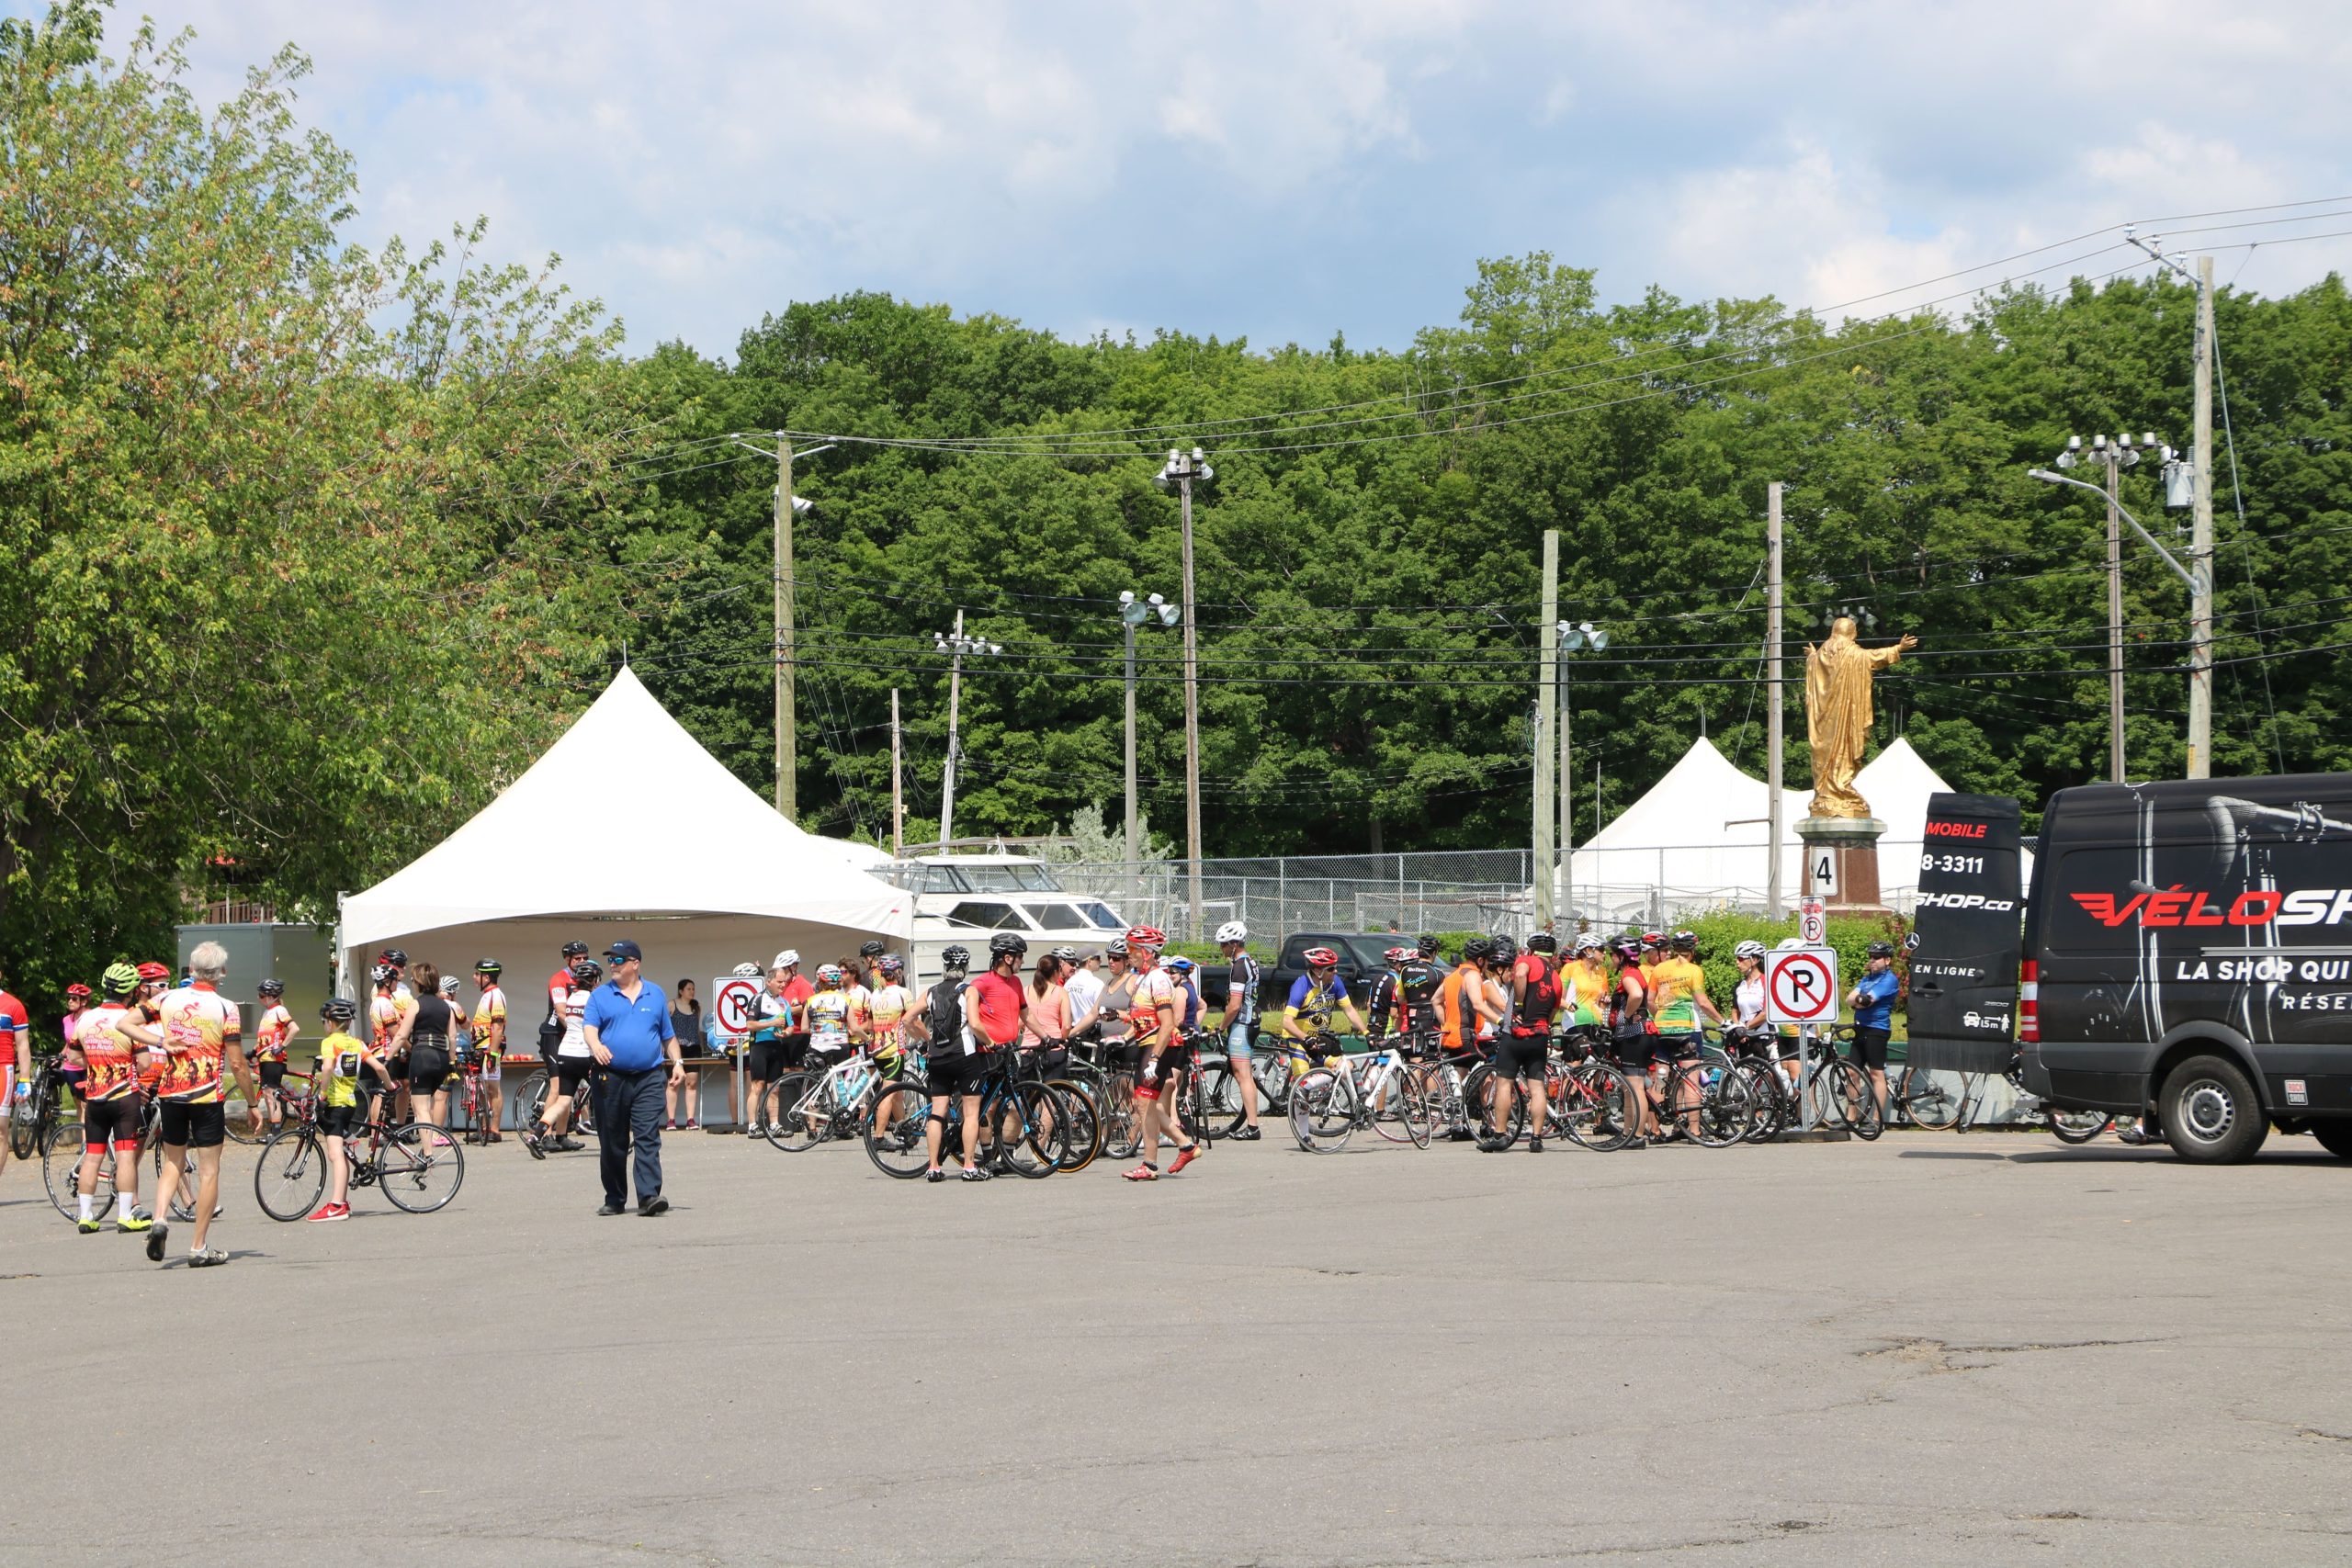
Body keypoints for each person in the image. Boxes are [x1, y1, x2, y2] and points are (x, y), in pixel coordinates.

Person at [127, 941, 255, 1269]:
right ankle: (198, 1247)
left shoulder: (167, 998)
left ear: (192, 970)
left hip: (171, 1092)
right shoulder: (226, 1007)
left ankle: (159, 1219)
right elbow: (238, 1063)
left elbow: (124, 1024)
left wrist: (159, 1040)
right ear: (221, 973)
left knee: (173, 1161)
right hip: (206, 1096)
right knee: (209, 1170)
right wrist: (253, 1102)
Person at [582, 940, 681, 1216]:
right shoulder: (600, 996)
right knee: (613, 1141)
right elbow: (589, 1027)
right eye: (610, 960)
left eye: (618, 960)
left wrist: (679, 1063)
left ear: (635, 964)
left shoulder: (655, 994)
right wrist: (596, 1046)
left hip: (649, 1076)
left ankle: (649, 1195)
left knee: (648, 1135)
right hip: (610, 1078)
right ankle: (615, 1197)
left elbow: (667, 1035)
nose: (612, 965)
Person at [1121, 926, 1202, 1182]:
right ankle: (1186, 1146)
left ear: (1146, 953)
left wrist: (1155, 1059)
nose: (1127, 953)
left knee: (1145, 1103)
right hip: (1150, 1043)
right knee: (1151, 1105)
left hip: (1160, 1046)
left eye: (1132, 949)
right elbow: (1145, 1019)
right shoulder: (1144, 978)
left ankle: (1149, 1164)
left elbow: (1167, 1024)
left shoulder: (1158, 979)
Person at [72, 964, 147, 1233]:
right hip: (125, 1097)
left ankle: (85, 1216)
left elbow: (72, 1056)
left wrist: (95, 1063)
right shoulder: (130, 1019)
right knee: (126, 1156)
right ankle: (126, 1215)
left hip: (95, 1098)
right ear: (129, 992)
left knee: (92, 1156)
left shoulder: (86, 1018)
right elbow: (145, 1062)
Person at [306, 998, 393, 1222]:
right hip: (351, 1102)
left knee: (335, 1154)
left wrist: (322, 1094)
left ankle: (336, 1205)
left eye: (323, 1021)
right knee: (341, 1152)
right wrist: (390, 1086)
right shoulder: (357, 1043)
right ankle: (341, 1201)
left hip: (335, 1103)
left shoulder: (329, 1042)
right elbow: (380, 1067)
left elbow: (326, 1068)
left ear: (330, 1023)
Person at [912, 945, 982, 1182]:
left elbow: (908, 1018)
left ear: (944, 968)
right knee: (971, 1113)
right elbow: (974, 1024)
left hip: (937, 1057)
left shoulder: (930, 991)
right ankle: (970, 1167)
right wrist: (990, 1041)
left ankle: (933, 1167)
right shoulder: (968, 990)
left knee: (937, 1112)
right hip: (964, 1056)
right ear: (965, 968)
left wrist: (926, 1038)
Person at [1490, 933, 1565, 1152]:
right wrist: (1543, 1025)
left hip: (1516, 1033)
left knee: (1504, 1082)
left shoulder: (1527, 961)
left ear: (1532, 950)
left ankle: (1500, 1134)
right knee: (1537, 1087)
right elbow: (1552, 1011)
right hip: (1540, 1034)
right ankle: (1536, 1138)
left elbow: (1521, 974)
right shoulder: (1557, 977)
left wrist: (1520, 1003)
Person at [1648, 931, 1724, 1141]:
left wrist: (1661, 1017)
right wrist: (1722, 1021)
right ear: (1692, 950)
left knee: (1660, 1081)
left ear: (1673, 949)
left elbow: (1650, 1000)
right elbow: (1702, 1002)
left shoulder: (1660, 969)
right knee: (1691, 1080)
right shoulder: (1694, 970)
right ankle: (1694, 1131)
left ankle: (1654, 1132)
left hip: (1662, 1029)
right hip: (1687, 1029)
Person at [523, 959, 597, 1159]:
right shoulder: (595, 999)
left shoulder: (571, 998)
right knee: (606, 1097)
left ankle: (536, 1136)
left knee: (563, 1100)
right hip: (584, 1054)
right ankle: (617, 1142)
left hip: (566, 1053)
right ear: (594, 980)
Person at [390, 960, 459, 1129]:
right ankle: (433, 1137)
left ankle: (428, 1153)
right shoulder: (446, 1007)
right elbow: (452, 1037)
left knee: (421, 1108)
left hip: (422, 1056)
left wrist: (388, 1057)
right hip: (441, 1059)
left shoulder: (416, 1004)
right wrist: (452, 1062)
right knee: (429, 1104)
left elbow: (401, 1035)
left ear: (419, 983)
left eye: (413, 980)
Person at [1214, 921, 1264, 1138]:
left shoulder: (1239, 967)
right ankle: (1252, 1124)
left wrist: (1221, 1025)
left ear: (1234, 944)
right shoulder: (1250, 962)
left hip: (1242, 1024)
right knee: (1245, 1075)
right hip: (1251, 1021)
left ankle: (1253, 1127)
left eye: (1224, 945)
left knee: (1243, 1076)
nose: (1221, 949)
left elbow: (1234, 1005)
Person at [1283, 946, 1369, 1065]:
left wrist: (1366, 1033)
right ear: (1317, 971)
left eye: (1335, 967)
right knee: (1303, 1077)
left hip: (1319, 1039)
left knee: (1346, 1068)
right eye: (1331, 969)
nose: (1335, 971)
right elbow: (1287, 1022)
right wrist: (1306, 1038)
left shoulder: (1335, 982)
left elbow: (1349, 1010)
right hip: (1298, 1038)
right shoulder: (1301, 986)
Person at [1609, 939, 1657, 1144]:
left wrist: (1627, 1016)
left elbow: (1636, 995)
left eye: (1612, 955)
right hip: (1642, 1033)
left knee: (1635, 1086)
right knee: (1630, 1086)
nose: (1610, 959)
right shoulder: (1636, 973)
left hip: (1635, 1034)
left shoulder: (1629, 975)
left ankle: (1636, 1135)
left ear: (1621, 956)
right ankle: (1628, 1133)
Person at [1847, 940, 1901, 1117]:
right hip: (1860, 1028)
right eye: (1871, 957)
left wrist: (1859, 1002)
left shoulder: (1889, 980)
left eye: (1877, 957)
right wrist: (1858, 1003)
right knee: (1852, 1072)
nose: (1872, 960)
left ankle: (1877, 1119)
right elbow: (1850, 999)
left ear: (1887, 960)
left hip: (1877, 1029)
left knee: (1876, 1073)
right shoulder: (1867, 978)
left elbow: (1867, 1001)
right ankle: (1851, 1117)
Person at [743, 959, 795, 1137]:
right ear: (769, 982)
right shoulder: (758, 999)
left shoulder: (784, 1003)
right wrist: (772, 1023)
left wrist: (786, 1034)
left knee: (775, 1088)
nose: (783, 984)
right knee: (757, 1086)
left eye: (784, 981)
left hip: (776, 1046)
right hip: (759, 1046)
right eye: (779, 981)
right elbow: (749, 1025)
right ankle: (752, 1125)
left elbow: (790, 1026)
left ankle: (774, 1124)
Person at [250, 978, 296, 1136]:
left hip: (274, 1059)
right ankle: (273, 1130)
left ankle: (276, 1132)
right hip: (266, 1058)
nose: (259, 998)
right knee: (268, 1094)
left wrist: (282, 1046)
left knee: (270, 1094)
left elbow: (294, 1029)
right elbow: (267, 1038)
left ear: (271, 996)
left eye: (261, 995)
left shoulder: (279, 1010)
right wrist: (253, 1051)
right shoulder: (267, 1012)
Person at [470, 960, 508, 1143]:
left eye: (477, 974)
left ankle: (494, 1129)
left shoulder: (496, 996)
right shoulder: (486, 995)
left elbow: (498, 1027)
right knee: (483, 1090)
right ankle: (485, 1128)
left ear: (486, 977)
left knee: (493, 1089)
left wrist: (493, 1054)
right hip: (481, 1047)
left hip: (489, 1049)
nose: (474, 978)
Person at [0, 960, 28, 1184]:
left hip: (3, 1068)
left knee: (0, 1130)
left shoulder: (13, 1005)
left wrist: (25, 1079)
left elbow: (23, 1045)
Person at [667, 978, 703, 1131]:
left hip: (693, 1047)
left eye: (693, 989)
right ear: (681, 991)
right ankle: (671, 1120)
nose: (692, 992)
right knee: (673, 1083)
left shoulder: (696, 1007)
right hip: (677, 1047)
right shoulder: (671, 1005)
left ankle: (690, 1119)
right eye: (689, 989)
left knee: (691, 1083)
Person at [57, 981, 92, 1106]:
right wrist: (60, 1056)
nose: (70, 1001)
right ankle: (80, 1126)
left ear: (84, 1001)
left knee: (86, 1104)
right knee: (78, 1104)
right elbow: (69, 1043)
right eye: (69, 998)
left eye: (74, 999)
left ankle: (86, 1126)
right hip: (70, 1067)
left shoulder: (92, 1017)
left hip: (87, 1065)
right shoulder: (66, 1020)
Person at [1062, 949, 1105, 1036]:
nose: (1101, 961)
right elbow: (1101, 1012)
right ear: (1089, 961)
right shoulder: (1097, 984)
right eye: (1097, 958)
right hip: (1092, 1034)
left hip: (1072, 1032)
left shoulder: (1068, 983)